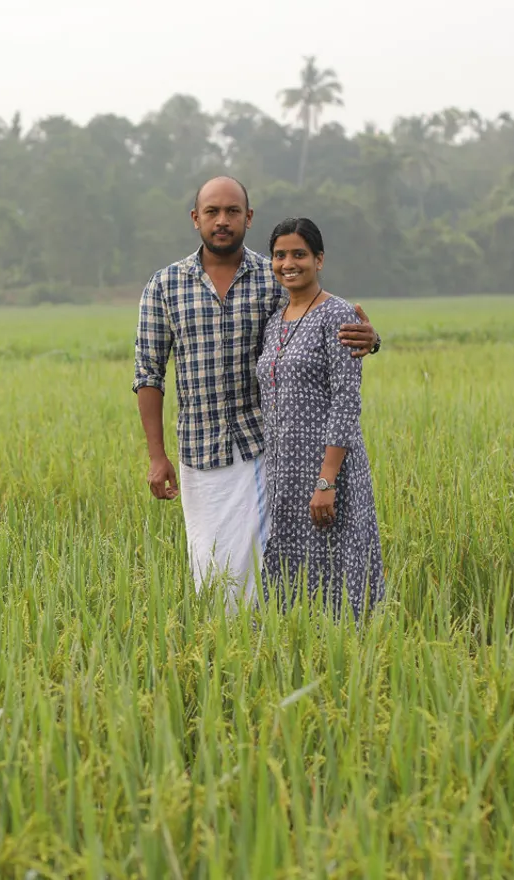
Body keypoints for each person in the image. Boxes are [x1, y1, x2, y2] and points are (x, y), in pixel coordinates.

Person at [132, 176, 380, 612]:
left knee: (270, 577)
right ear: (196, 219)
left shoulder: (273, 277)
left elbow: (320, 323)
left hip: (263, 452)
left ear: (248, 217)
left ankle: (273, 653)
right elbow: (148, 373)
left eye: (232, 212)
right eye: (212, 212)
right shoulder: (165, 285)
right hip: (199, 451)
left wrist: (370, 339)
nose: (222, 221)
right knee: (211, 575)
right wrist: (156, 455)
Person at [256, 217, 385, 618]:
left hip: (328, 469)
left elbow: (346, 402)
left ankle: (351, 657)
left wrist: (327, 479)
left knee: (337, 574)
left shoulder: (338, 315)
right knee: (291, 578)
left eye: (299, 254)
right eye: (279, 255)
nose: (288, 263)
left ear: (319, 259)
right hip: (283, 473)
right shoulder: (275, 320)